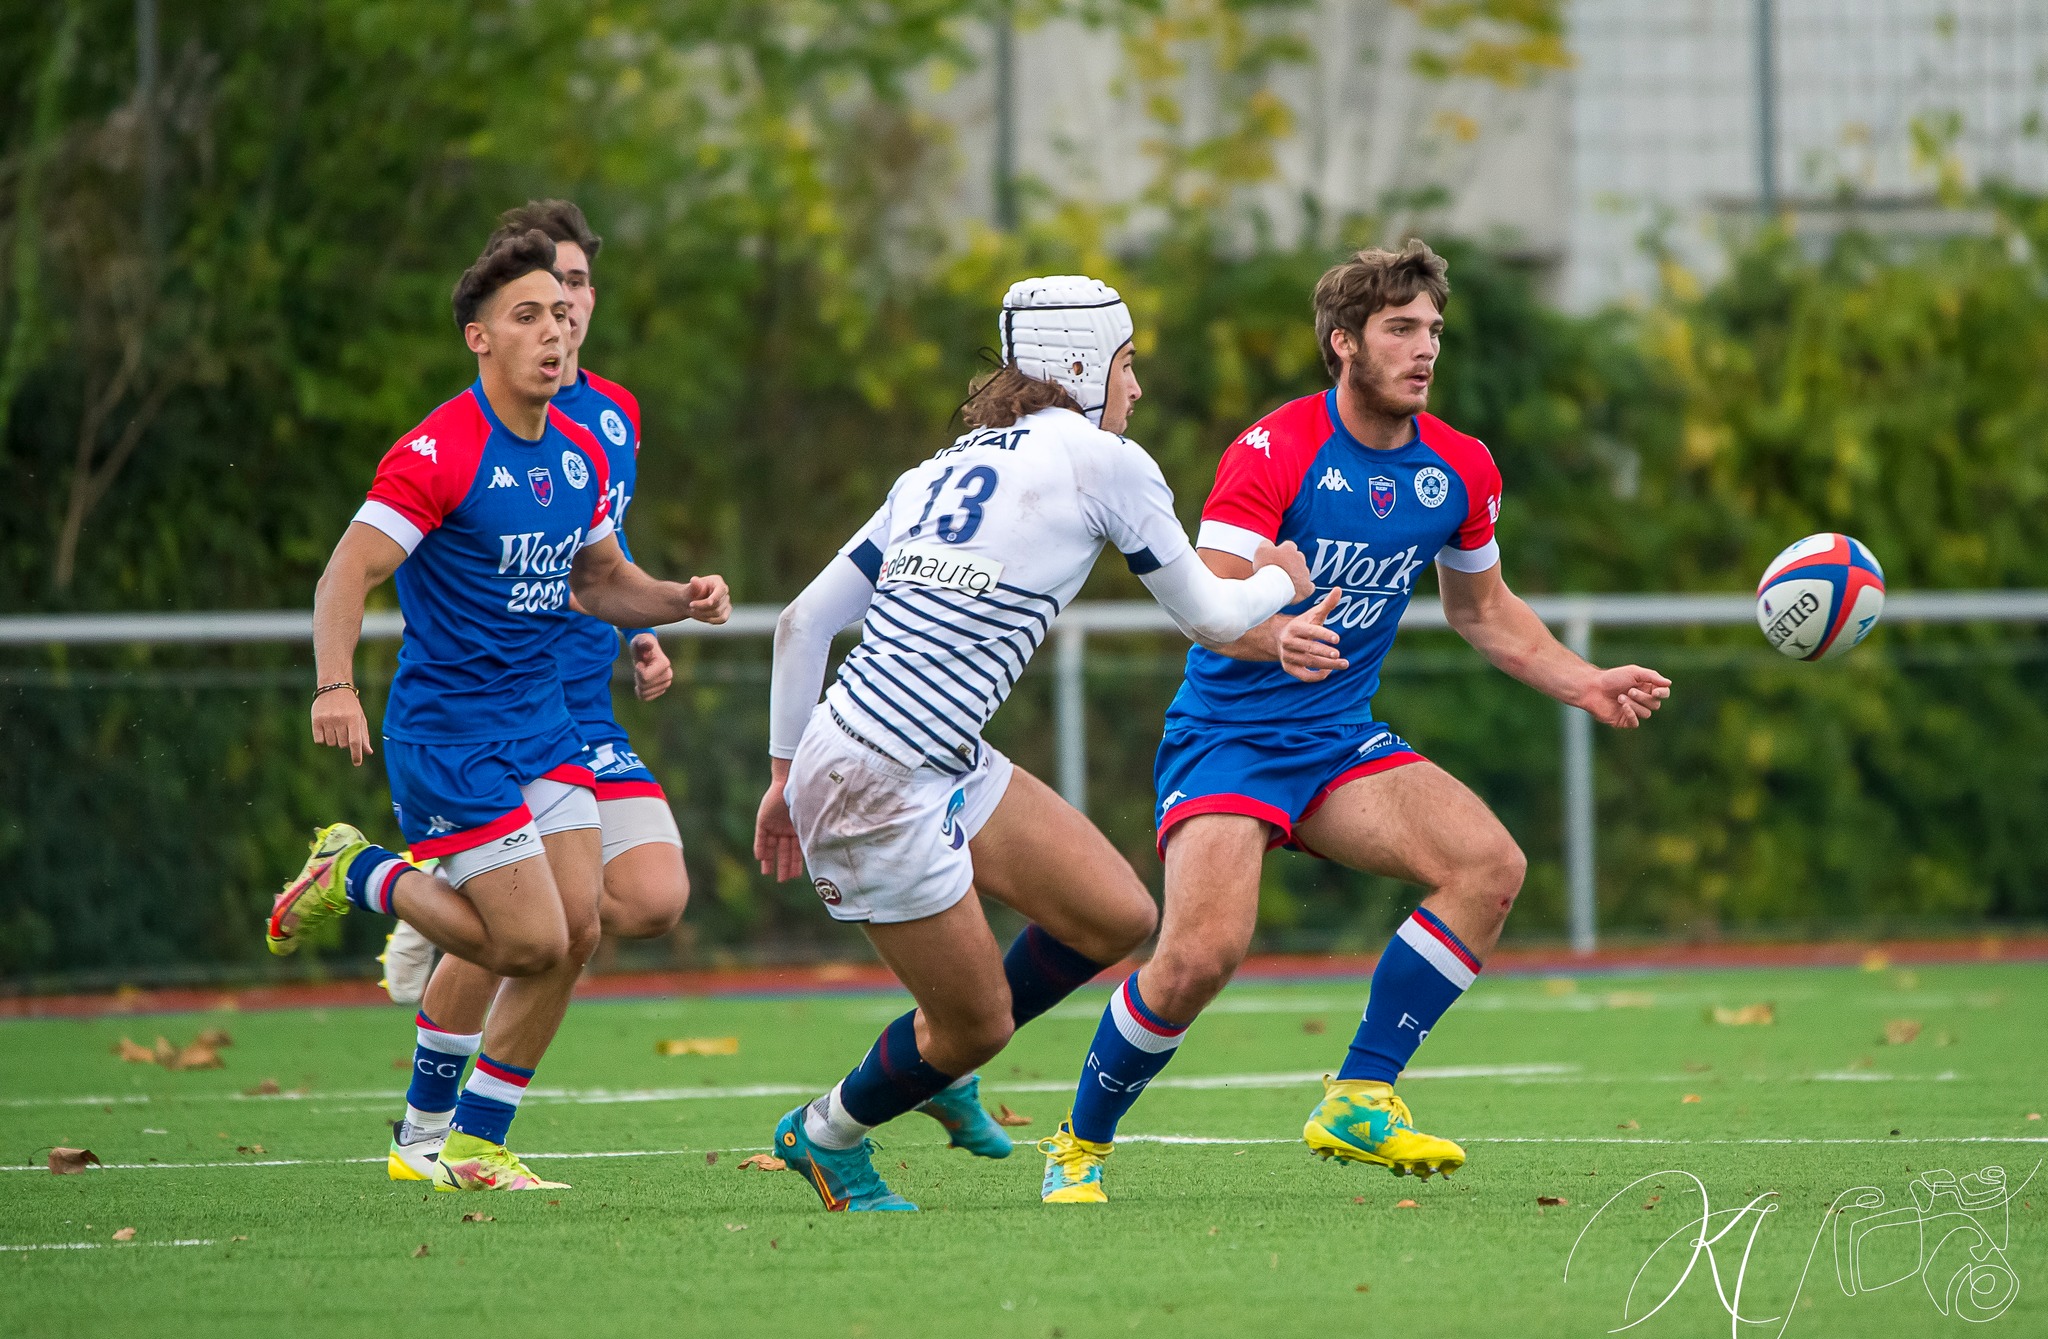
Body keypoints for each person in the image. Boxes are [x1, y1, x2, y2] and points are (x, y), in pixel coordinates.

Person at [1036, 241, 1672, 1203]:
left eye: (1434, 332)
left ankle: (1361, 1094)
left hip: (1339, 741)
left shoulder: (1460, 467)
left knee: (1489, 867)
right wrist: (1273, 632)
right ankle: (1079, 1142)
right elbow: (1206, 601)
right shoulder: (1272, 450)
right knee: (1201, 954)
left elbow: (1484, 611)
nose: (1425, 351)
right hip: (1229, 737)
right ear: (1344, 343)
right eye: (1401, 330)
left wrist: (1583, 681)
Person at [751, 276, 1313, 1212]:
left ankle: (934, 1056)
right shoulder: (1105, 461)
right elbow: (1215, 619)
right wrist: (1279, 577)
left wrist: (784, 773)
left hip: (901, 752)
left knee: (1115, 916)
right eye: (1127, 365)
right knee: (977, 1028)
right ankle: (826, 1133)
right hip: (878, 778)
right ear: (1086, 366)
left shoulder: (937, 466)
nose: (1136, 389)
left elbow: (802, 624)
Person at [266, 229, 731, 1193]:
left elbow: (604, 583)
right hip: (453, 737)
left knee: (579, 932)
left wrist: (678, 600)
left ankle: (464, 1142)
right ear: (478, 338)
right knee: (526, 940)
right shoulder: (441, 449)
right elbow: (347, 568)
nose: (553, 333)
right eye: (527, 317)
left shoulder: (576, 454)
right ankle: (358, 871)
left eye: (561, 314)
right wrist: (334, 683)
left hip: (545, 728)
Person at [377, 201, 695, 1184]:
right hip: (491, 716)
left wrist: (642, 627)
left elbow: (603, 546)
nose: (564, 311)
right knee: (544, 932)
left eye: (578, 290)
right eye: (545, 295)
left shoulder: (613, 418)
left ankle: (461, 895)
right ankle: (455, 1130)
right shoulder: (479, 427)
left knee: (647, 899)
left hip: (574, 707)